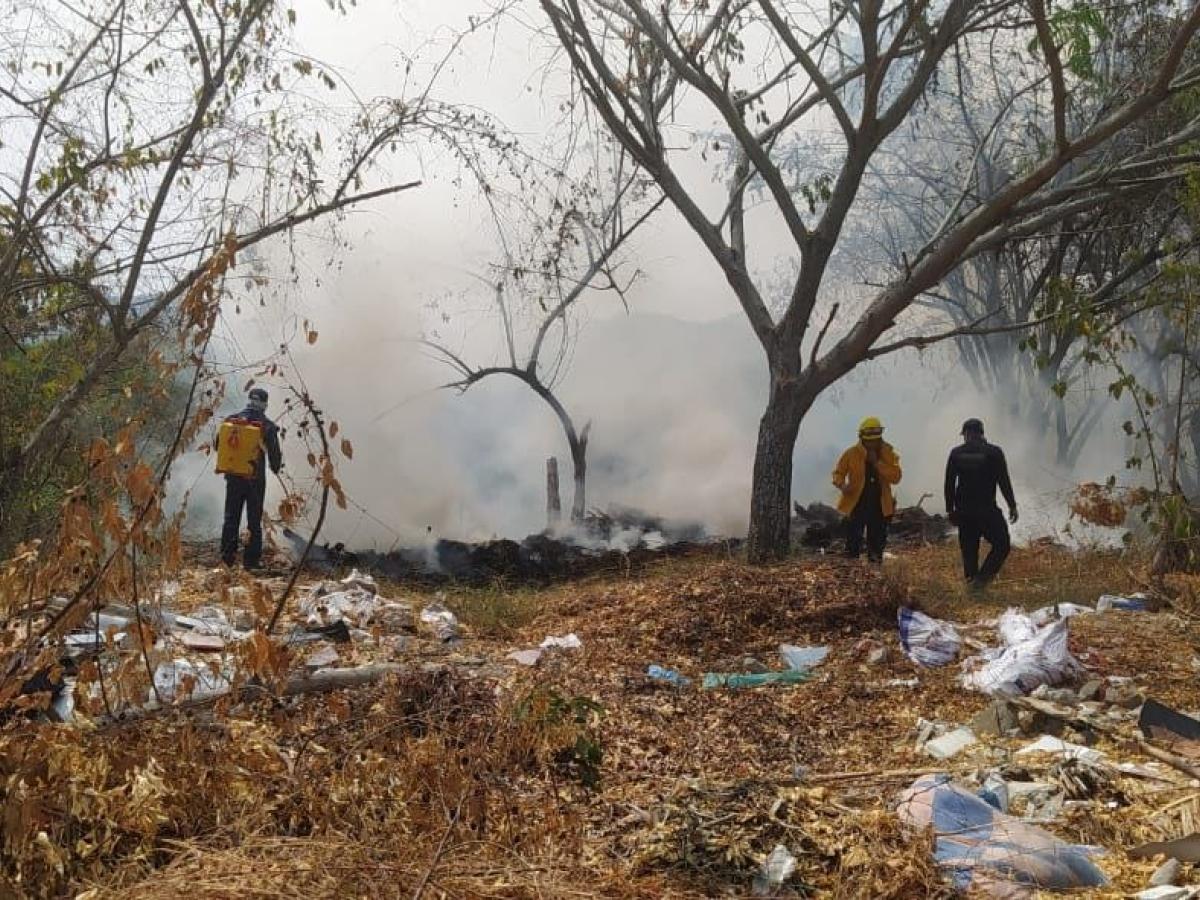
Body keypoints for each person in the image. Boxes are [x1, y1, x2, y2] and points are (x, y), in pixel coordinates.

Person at [944, 418, 1018, 591]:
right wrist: (1012, 505)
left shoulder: (956, 453)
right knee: (1002, 544)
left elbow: (949, 484)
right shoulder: (994, 452)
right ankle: (981, 581)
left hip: (964, 512)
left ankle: (973, 585)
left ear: (967, 434)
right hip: (987, 510)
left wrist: (950, 510)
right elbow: (1003, 481)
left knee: (969, 551)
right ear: (981, 433)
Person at [217, 387, 282, 569]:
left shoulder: (232, 420)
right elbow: (275, 455)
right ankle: (251, 562)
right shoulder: (267, 426)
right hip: (255, 480)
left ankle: (226, 559)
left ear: (249, 400)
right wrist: (276, 468)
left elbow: (218, 445)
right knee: (254, 520)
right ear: (264, 404)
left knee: (231, 518)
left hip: (233, 477)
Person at [832, 417, 902, 563]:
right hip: (856, 505)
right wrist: (842, 485)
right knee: (852, 544)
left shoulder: (888, 453)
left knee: (876, 546)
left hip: (880, 507)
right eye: (869, 440)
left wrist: (877, 463)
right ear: (861, 438)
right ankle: (851, 575)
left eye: (875, 440)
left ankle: (875, 574)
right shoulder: (851, 454)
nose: (872, 444)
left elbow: (896, 477)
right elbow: (838, 473)